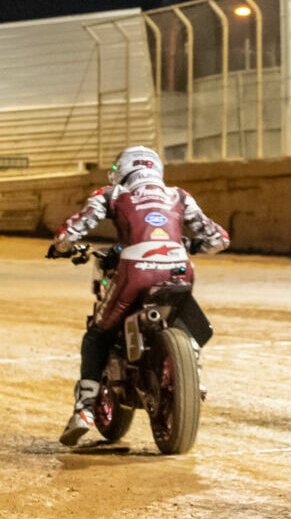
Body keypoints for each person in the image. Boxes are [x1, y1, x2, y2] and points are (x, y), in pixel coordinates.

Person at [48, 146, 229, 446]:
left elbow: (71, 231)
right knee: (186, 319)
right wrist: (187, 244)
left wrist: (62, 246)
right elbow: (219, 239)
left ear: (122, 170)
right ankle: (192, 372)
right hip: (180, 270)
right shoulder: (180, 196)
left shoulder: (110, 194)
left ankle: (84, 410)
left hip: (134, 271)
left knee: (97, 334)